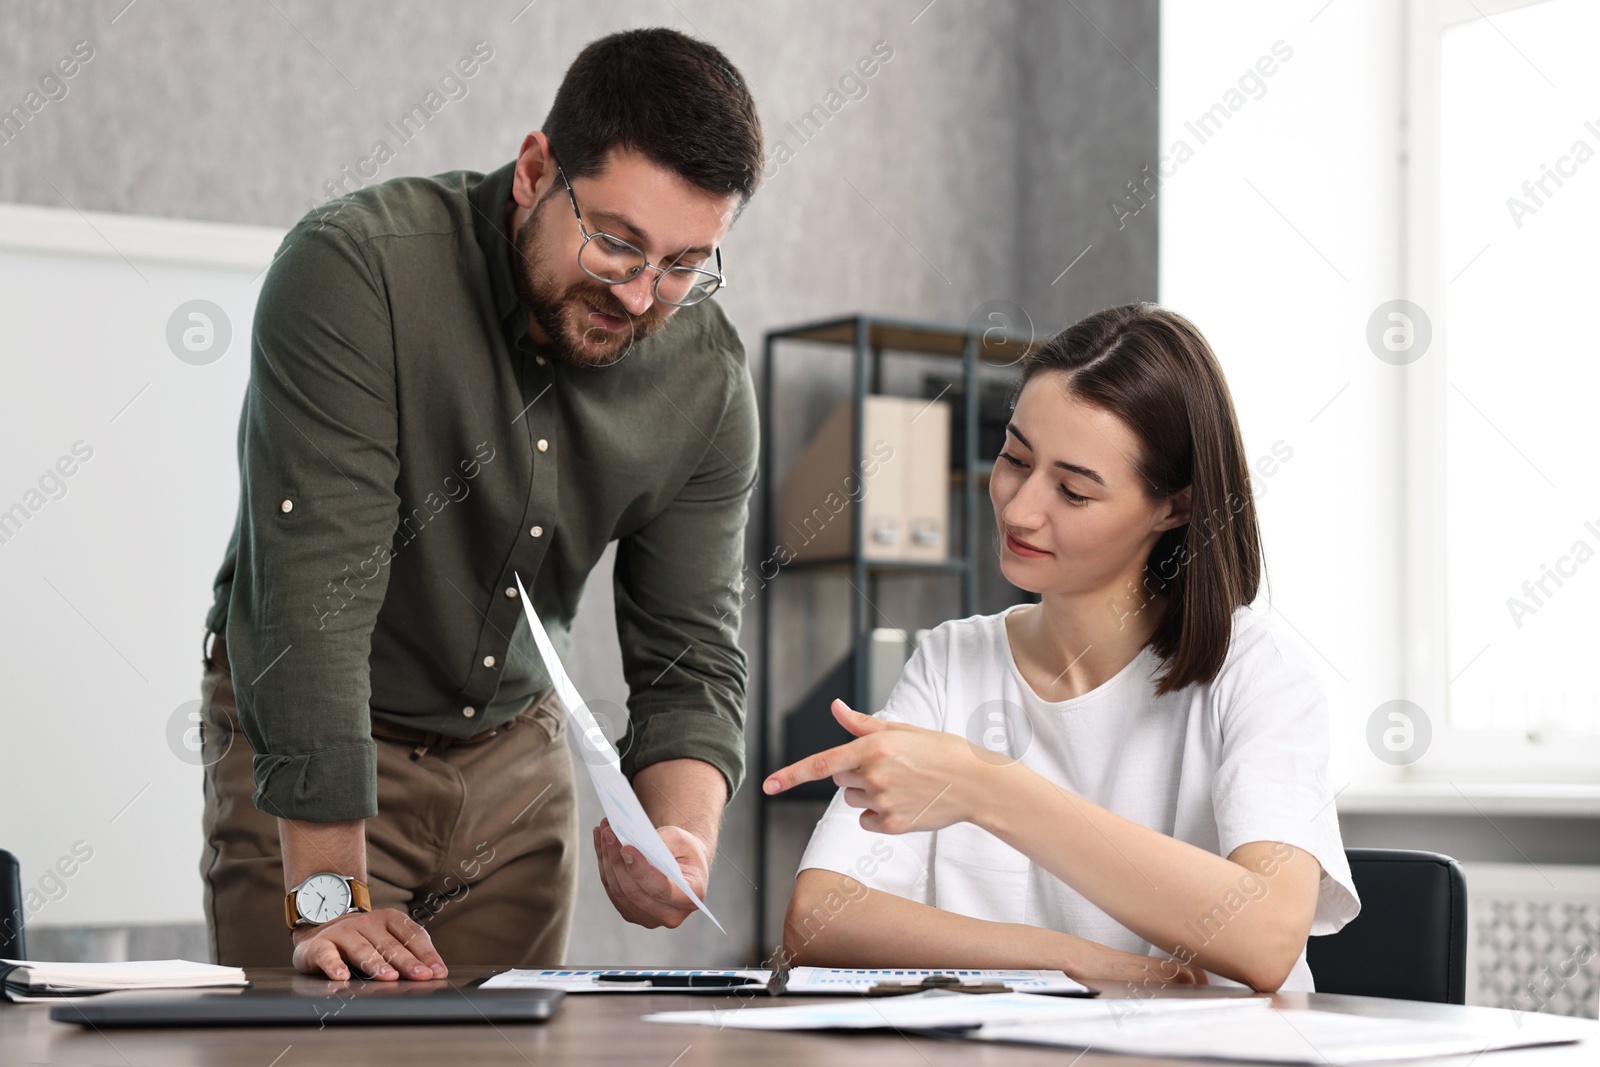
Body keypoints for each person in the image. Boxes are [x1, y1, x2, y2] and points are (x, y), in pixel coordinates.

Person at [199, 27, 764, 982]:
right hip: (317, 751)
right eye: (616, 243)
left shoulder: (706, 380)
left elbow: (691, 654)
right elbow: (313, 600)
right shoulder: (356, 273)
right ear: (534, 168)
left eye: (683, 264)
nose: (639, 297)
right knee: (314, 1044)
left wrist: (678, 832)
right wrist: (326, 895)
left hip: (513, 765)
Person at [765, 302, 1360, 993]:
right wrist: (1073, 958)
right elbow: (818, 921)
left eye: (1073, 491)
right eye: (1015, 458)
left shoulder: (1257, 673)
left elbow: (1268, 939)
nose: (1019, 509)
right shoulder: (952, 661)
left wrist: (985, 787)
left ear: (1177, 506)